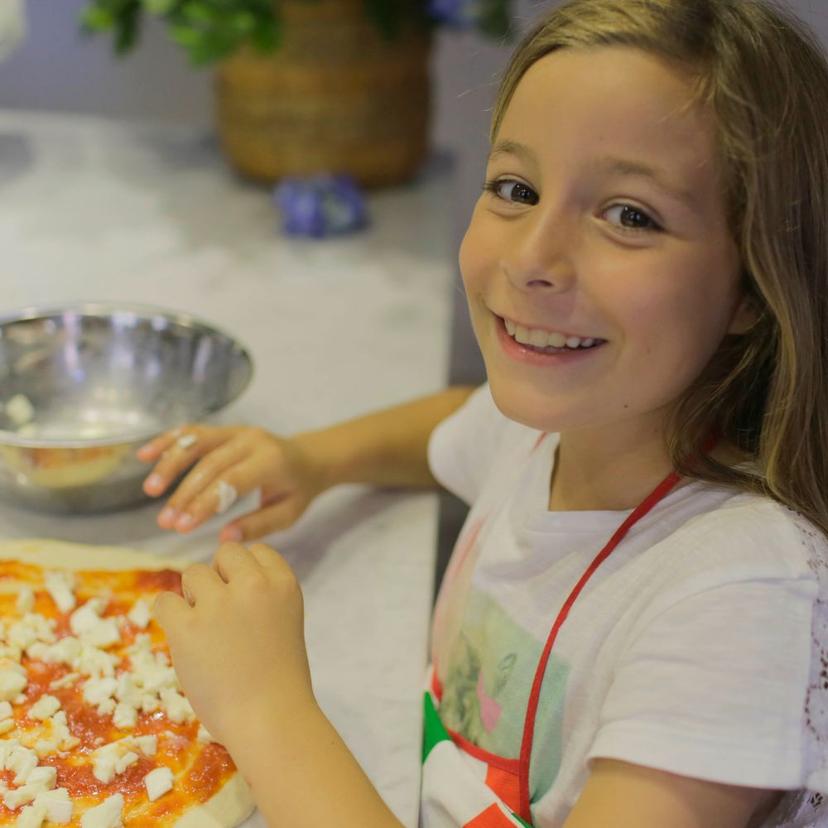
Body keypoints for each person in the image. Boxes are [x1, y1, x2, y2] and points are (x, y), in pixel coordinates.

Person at [137, 0, 828, 825]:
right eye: (516, 188)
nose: (533, 257)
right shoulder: (562, 428)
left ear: (755, 284)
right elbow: (452, 423)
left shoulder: (743, 602)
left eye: (630, 215)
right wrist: (314, 460)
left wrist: (265, 708)